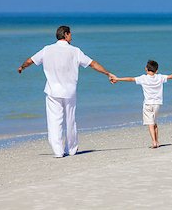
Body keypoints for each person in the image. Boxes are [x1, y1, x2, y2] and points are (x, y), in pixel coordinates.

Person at [18, 26, 115, 158]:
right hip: (69, 91)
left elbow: (30, 60)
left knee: (54, 121)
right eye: (70, 34)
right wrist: (107, 73)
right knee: (70, 120)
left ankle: (58, 151)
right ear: (66, 34)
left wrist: (22, 67)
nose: (72, 37)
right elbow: (92, 64)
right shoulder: (75, 51)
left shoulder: (47, 49)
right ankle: (72, 149)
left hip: (53, 91)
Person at [110, 60, 172, 149]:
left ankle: (154, 142)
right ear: (156, 70)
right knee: (154, 123)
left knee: (150, 123)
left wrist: (117, 79)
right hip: (157, 103)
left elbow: (130, 79)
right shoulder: (160, 77)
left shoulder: (143, 78)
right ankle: (157, 141)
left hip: (148, 104)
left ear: (146, 69)